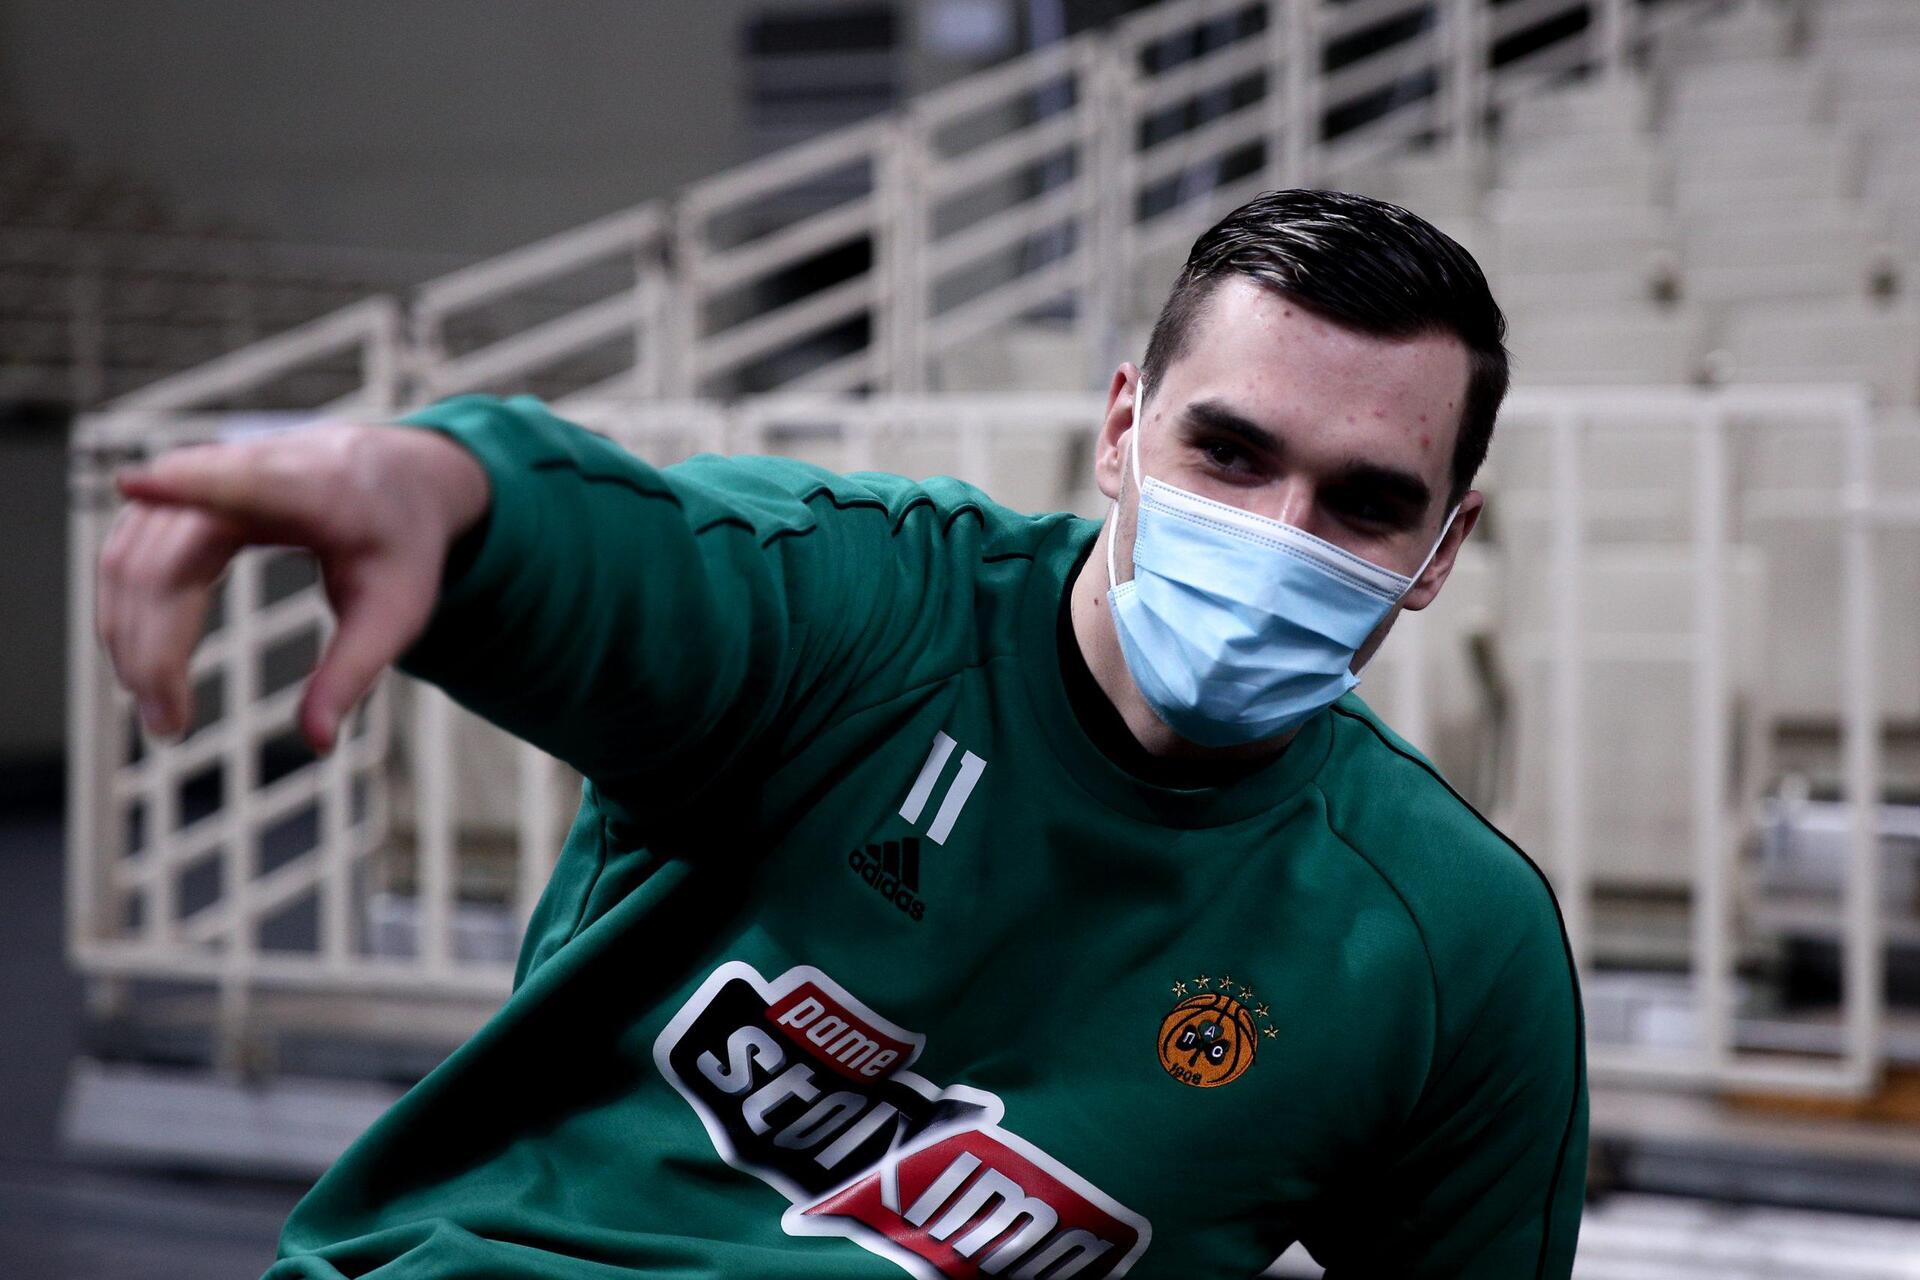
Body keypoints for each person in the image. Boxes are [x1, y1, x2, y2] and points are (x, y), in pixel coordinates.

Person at [98, 188, 1586, 1279]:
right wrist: (448, 493)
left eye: (1363, 504)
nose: (1279, 536)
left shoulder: (1454, 944)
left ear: (1440, 551)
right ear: (1122, 428)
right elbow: (650, 565)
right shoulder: (870, 604)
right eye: (1231, 452)